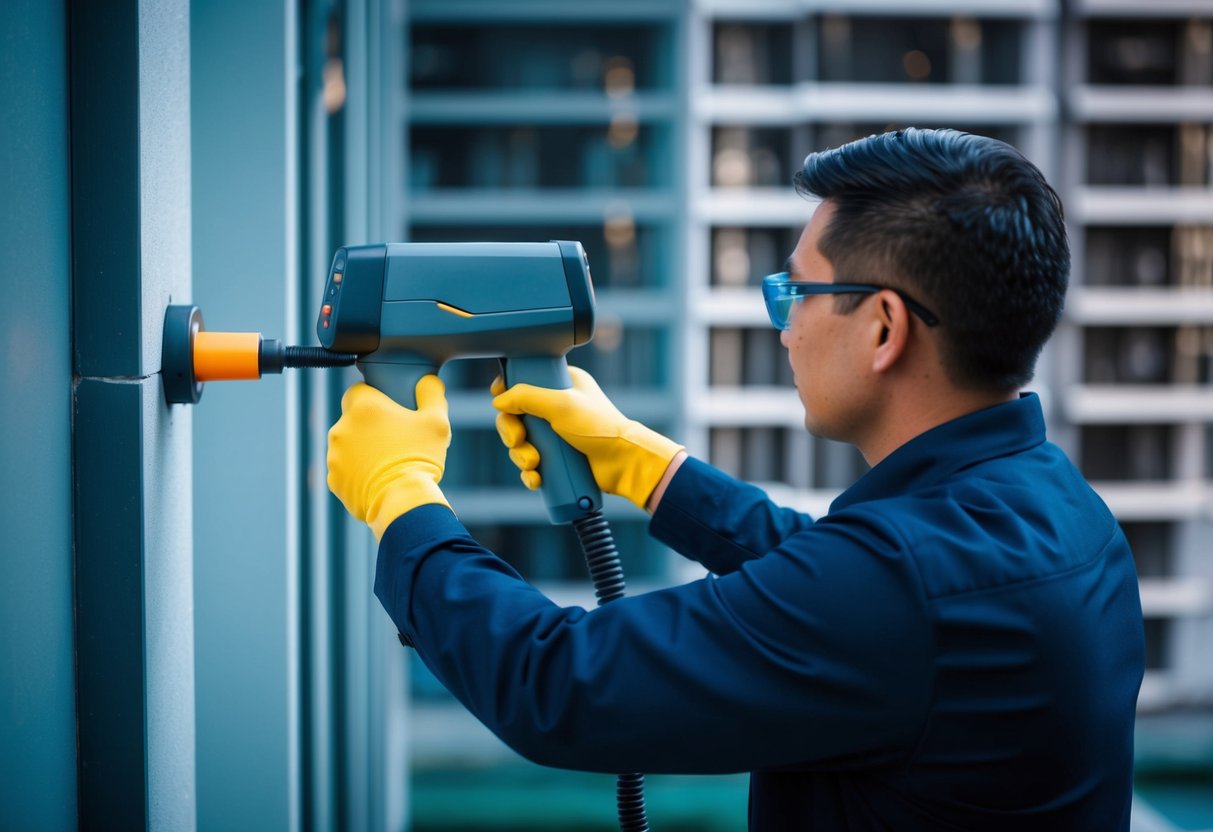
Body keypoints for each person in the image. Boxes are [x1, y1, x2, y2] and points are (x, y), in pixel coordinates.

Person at [327, 128, 1145, 830]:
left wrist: (401, 498)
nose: (785, 330)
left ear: (884, 328)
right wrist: (654, 472)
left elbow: (561, 684)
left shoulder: (896, 586)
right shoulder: (1060, 509)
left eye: (798, 291)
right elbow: (847, 583)